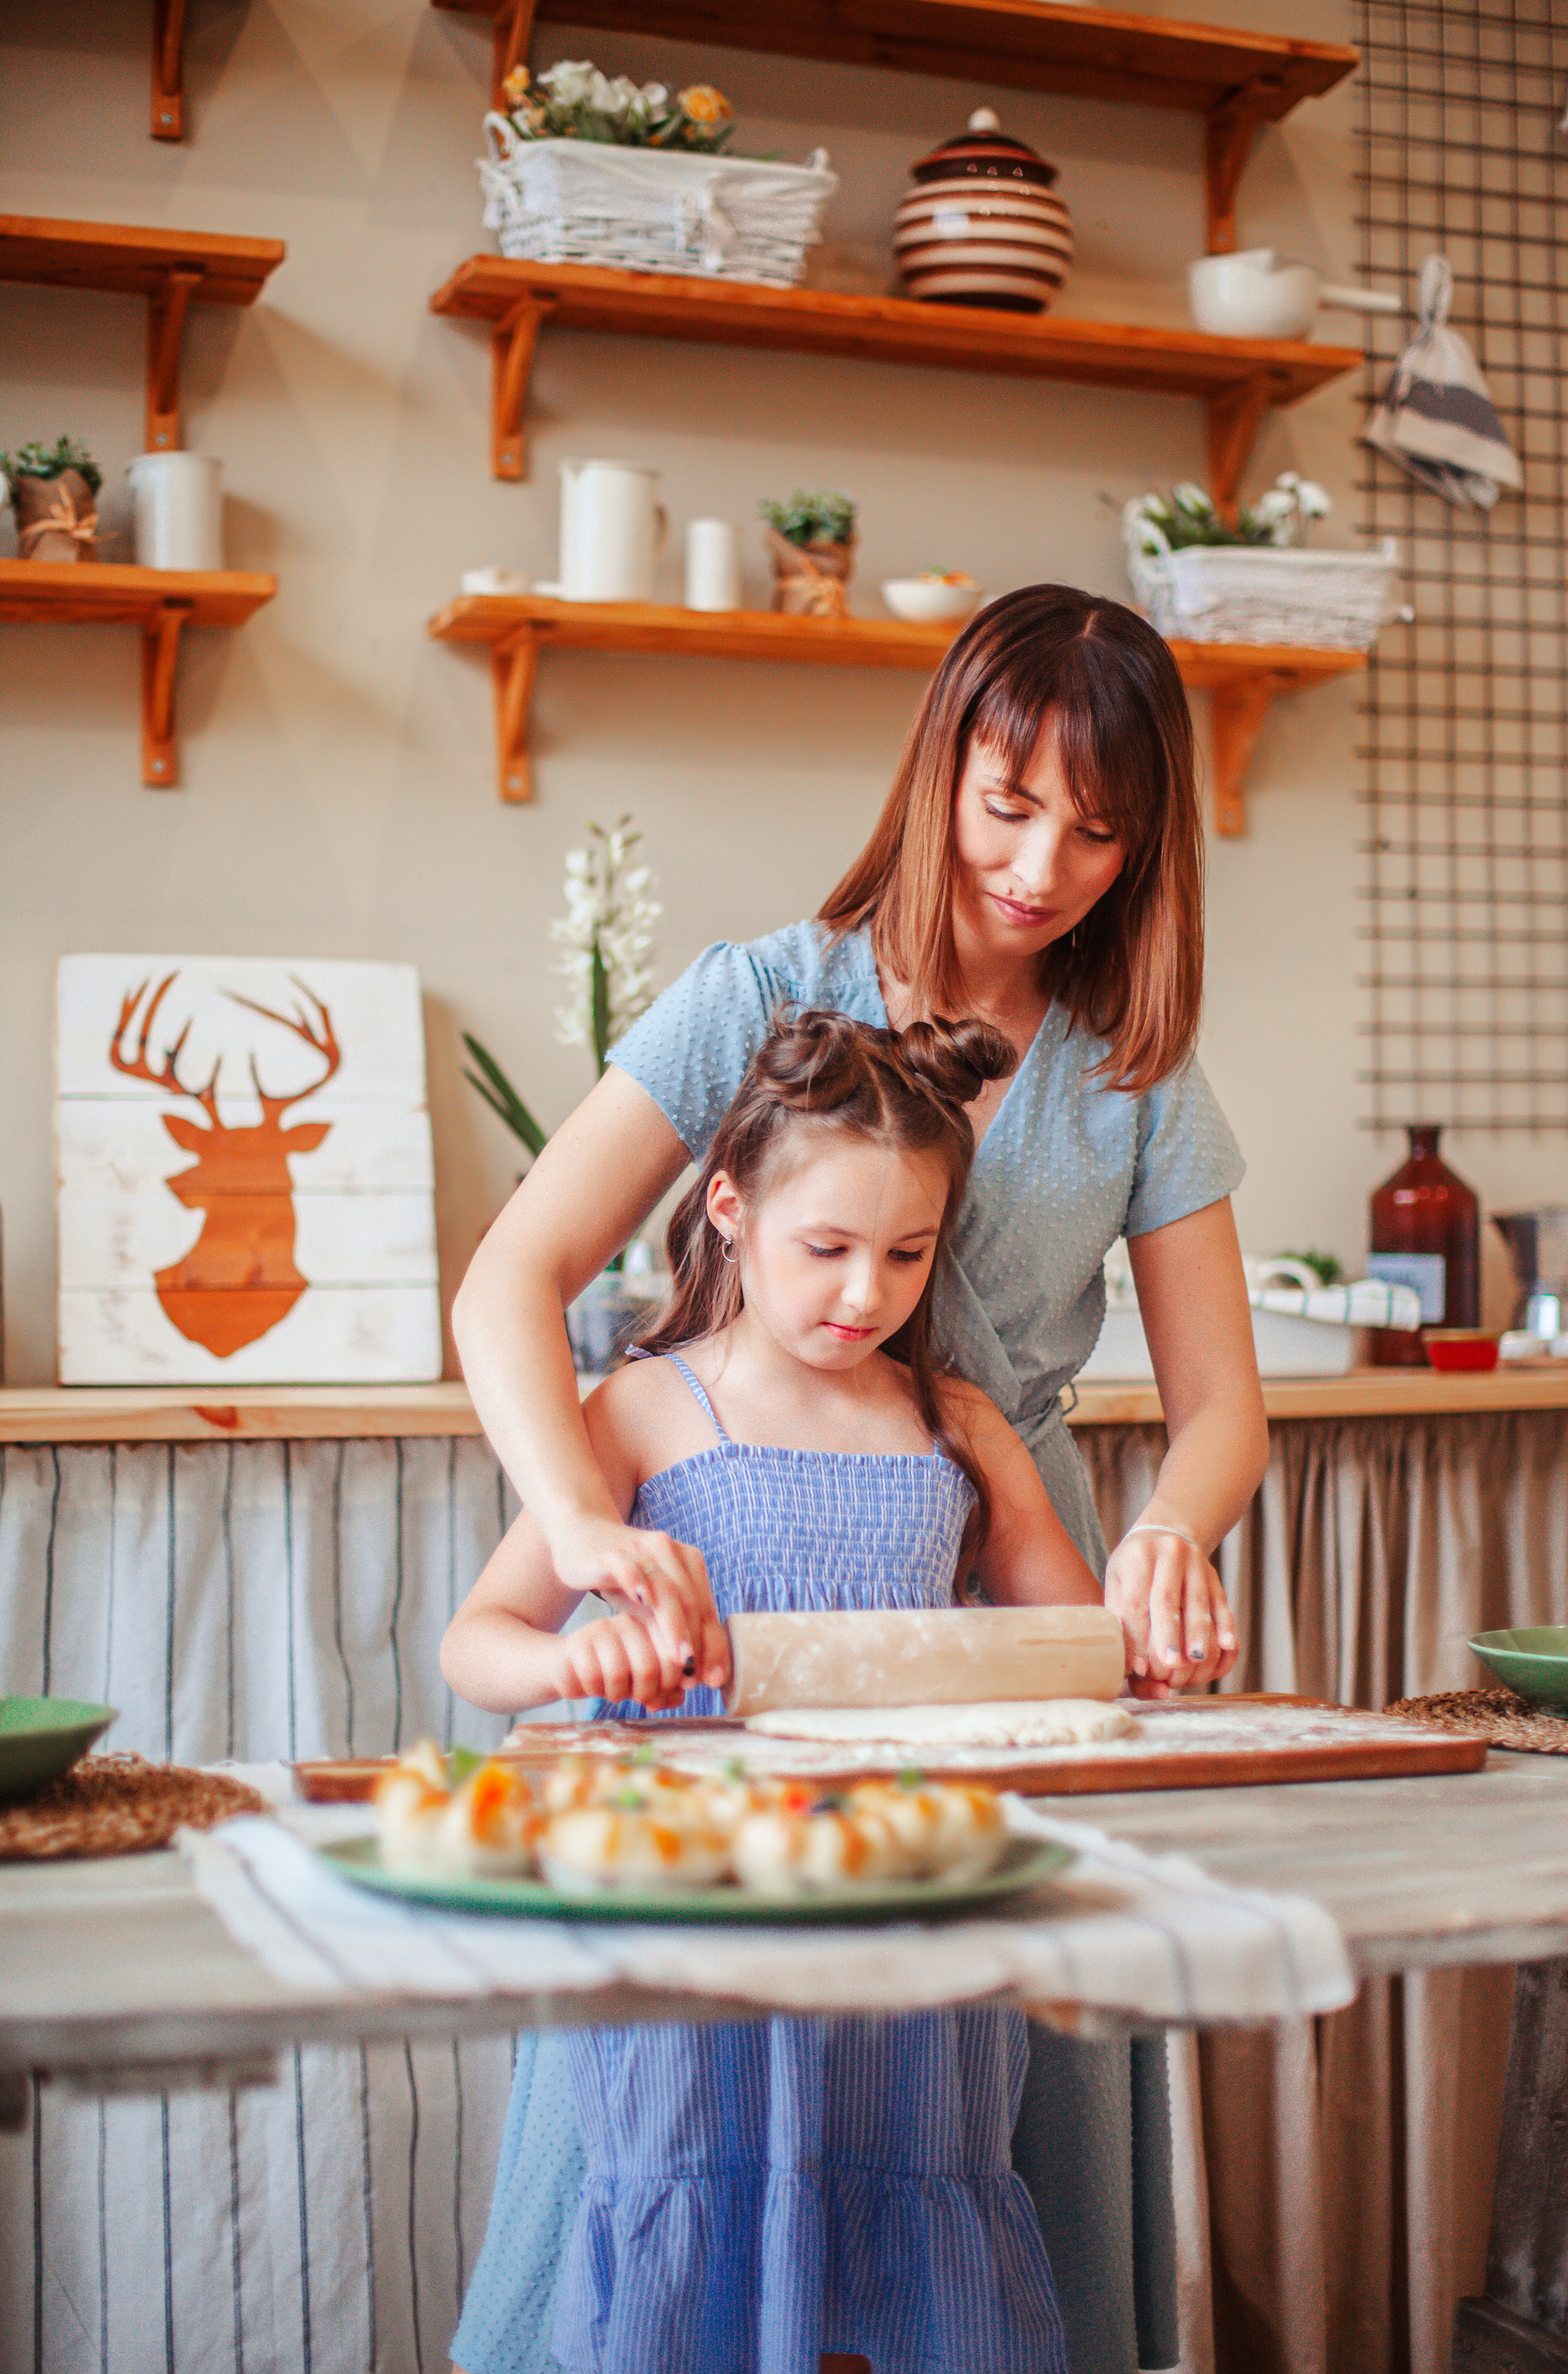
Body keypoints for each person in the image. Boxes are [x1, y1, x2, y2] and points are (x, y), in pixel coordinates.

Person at [451, 584, 1268, 2374]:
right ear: (938, 769)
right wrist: (585, 1525)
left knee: (983, 2139)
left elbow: (1221, 1409)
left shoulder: (1133, 1068)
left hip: (1002, 1625)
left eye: (1102, 830)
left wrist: (1163, 1541)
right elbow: (510, 1277)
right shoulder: (762, 994)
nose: (1045, 863)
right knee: (668, 2142)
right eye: (1007, 803)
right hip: (727, 1614)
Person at [447, 1007, 1105, 2374]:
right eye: (827, 1250)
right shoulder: (639, 1412)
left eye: (906, 1254)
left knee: (892, 2282)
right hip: (698, 1923)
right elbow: (479, 1639)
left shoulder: (959, 1427)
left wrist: (1152, 1626)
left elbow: (1076, 1645)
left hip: (907, 1933)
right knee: (692, 2267)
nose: (865, 1293)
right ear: (730, 1209)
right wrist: (575, 1660)